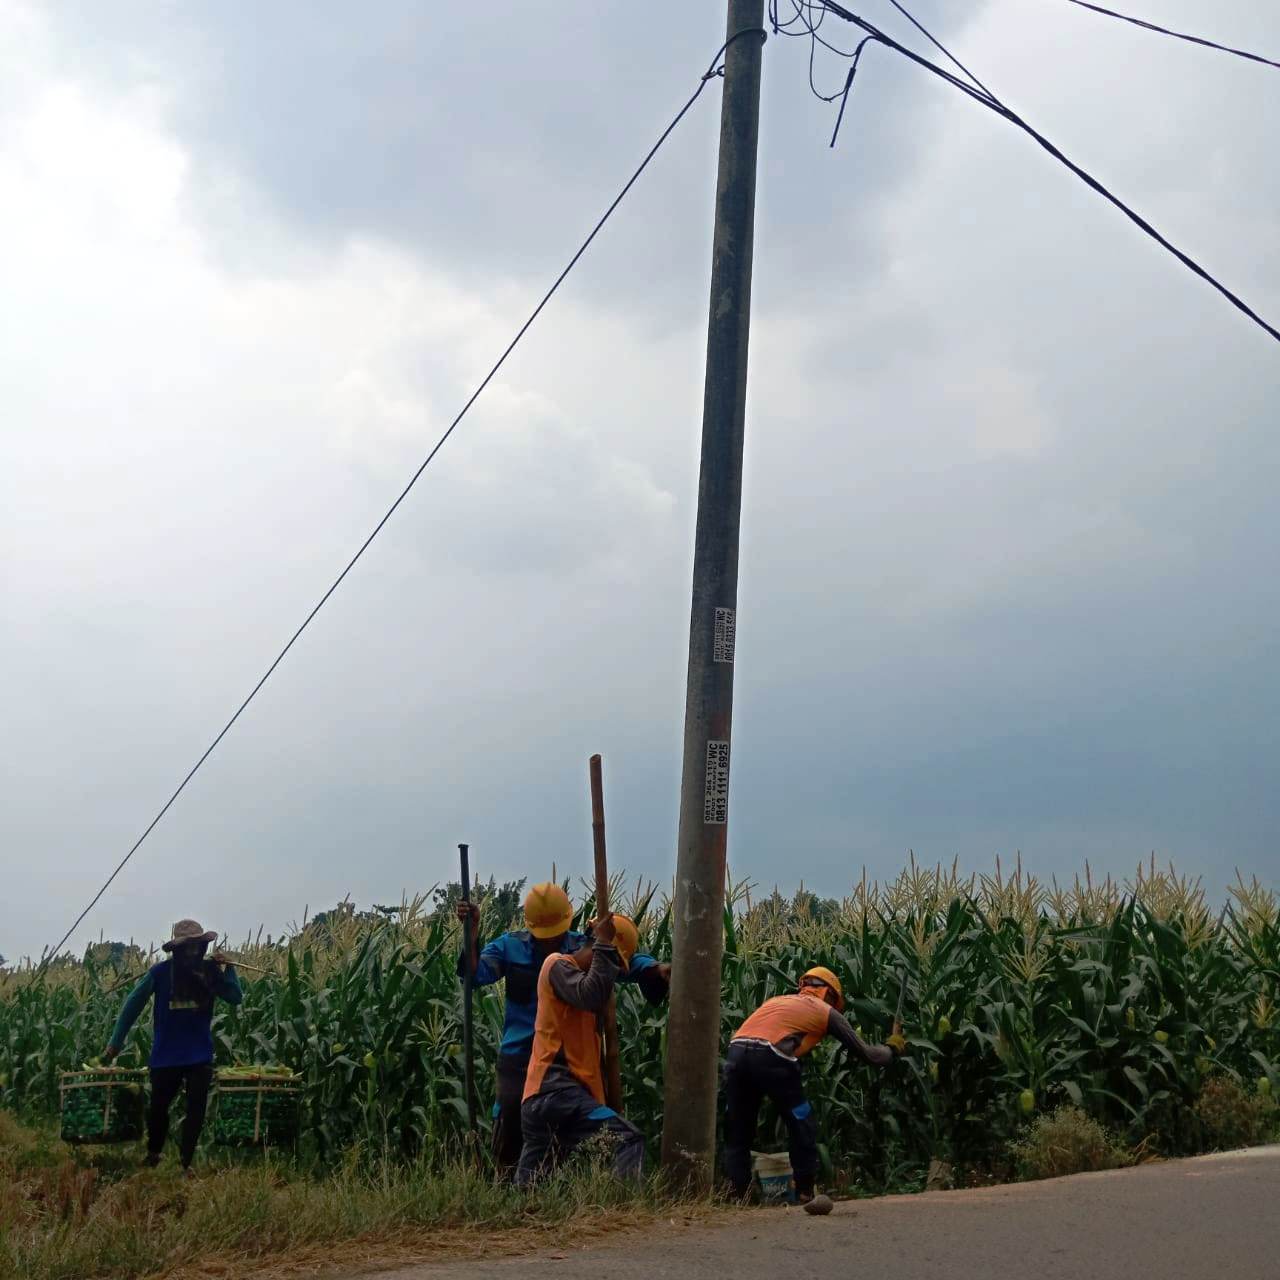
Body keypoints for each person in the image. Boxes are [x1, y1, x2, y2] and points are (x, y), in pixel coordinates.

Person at [457, 882, 669, 1176]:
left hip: (564, 1063)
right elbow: (473, 974)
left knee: (559, 1135)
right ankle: (507, 1187)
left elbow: (622, 960)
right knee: (511, 1126)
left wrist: (653, 969)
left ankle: (543, 1189)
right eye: (544, 936)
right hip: (520, 1060)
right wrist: (471, 932)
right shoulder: (509, 947)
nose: (550, 941)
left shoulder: (579, 946)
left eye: (555, 934)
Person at [722, 966, 906, 1203]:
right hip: (771, 1056)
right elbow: (869, 1055)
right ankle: (805, 1192)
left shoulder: (778, 1001)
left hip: (736, 1053)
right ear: (830, 994)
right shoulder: (824, 1010)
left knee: (738, 1131)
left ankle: (740, 1197)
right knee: (801, 1121)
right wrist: (893, 1047)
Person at [514, 911, 645, 1186]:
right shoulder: (557, 965)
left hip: (541, 1099)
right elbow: (591, 993)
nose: (614, 975)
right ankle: (625, 1208)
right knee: (627, 1138)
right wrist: (606, 946)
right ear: (601, 950)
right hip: (558, 1095)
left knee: (533, 1186)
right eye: (615, 966)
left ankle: (519, 1217)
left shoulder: (580, 986)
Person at [103, 919, 243, 1174]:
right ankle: (154, 1153)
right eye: (186, 947)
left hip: (199, 1055)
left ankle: (186, 1163)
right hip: (166, 1055)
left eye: (196, 946)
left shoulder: (210, 972)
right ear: (177, 949)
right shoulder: (160, 973)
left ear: (202, 947)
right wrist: (115, 1042)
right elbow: (132, 1005)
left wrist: (229, 967)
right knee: (158, 1109)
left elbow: (235, 998)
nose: (192, 951)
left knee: (195, 1110)